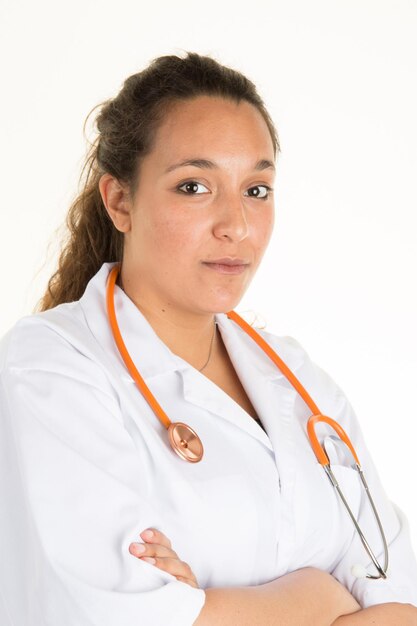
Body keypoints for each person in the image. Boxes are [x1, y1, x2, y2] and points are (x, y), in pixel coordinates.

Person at [0, 51, 416, 626]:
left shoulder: (297, 380)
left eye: (257, 190)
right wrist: (323, 599)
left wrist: (207, 607)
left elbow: (402, 602)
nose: (237, 225)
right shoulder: (51, 366)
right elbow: (122, 616)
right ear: (120, 200)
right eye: (194, 186)